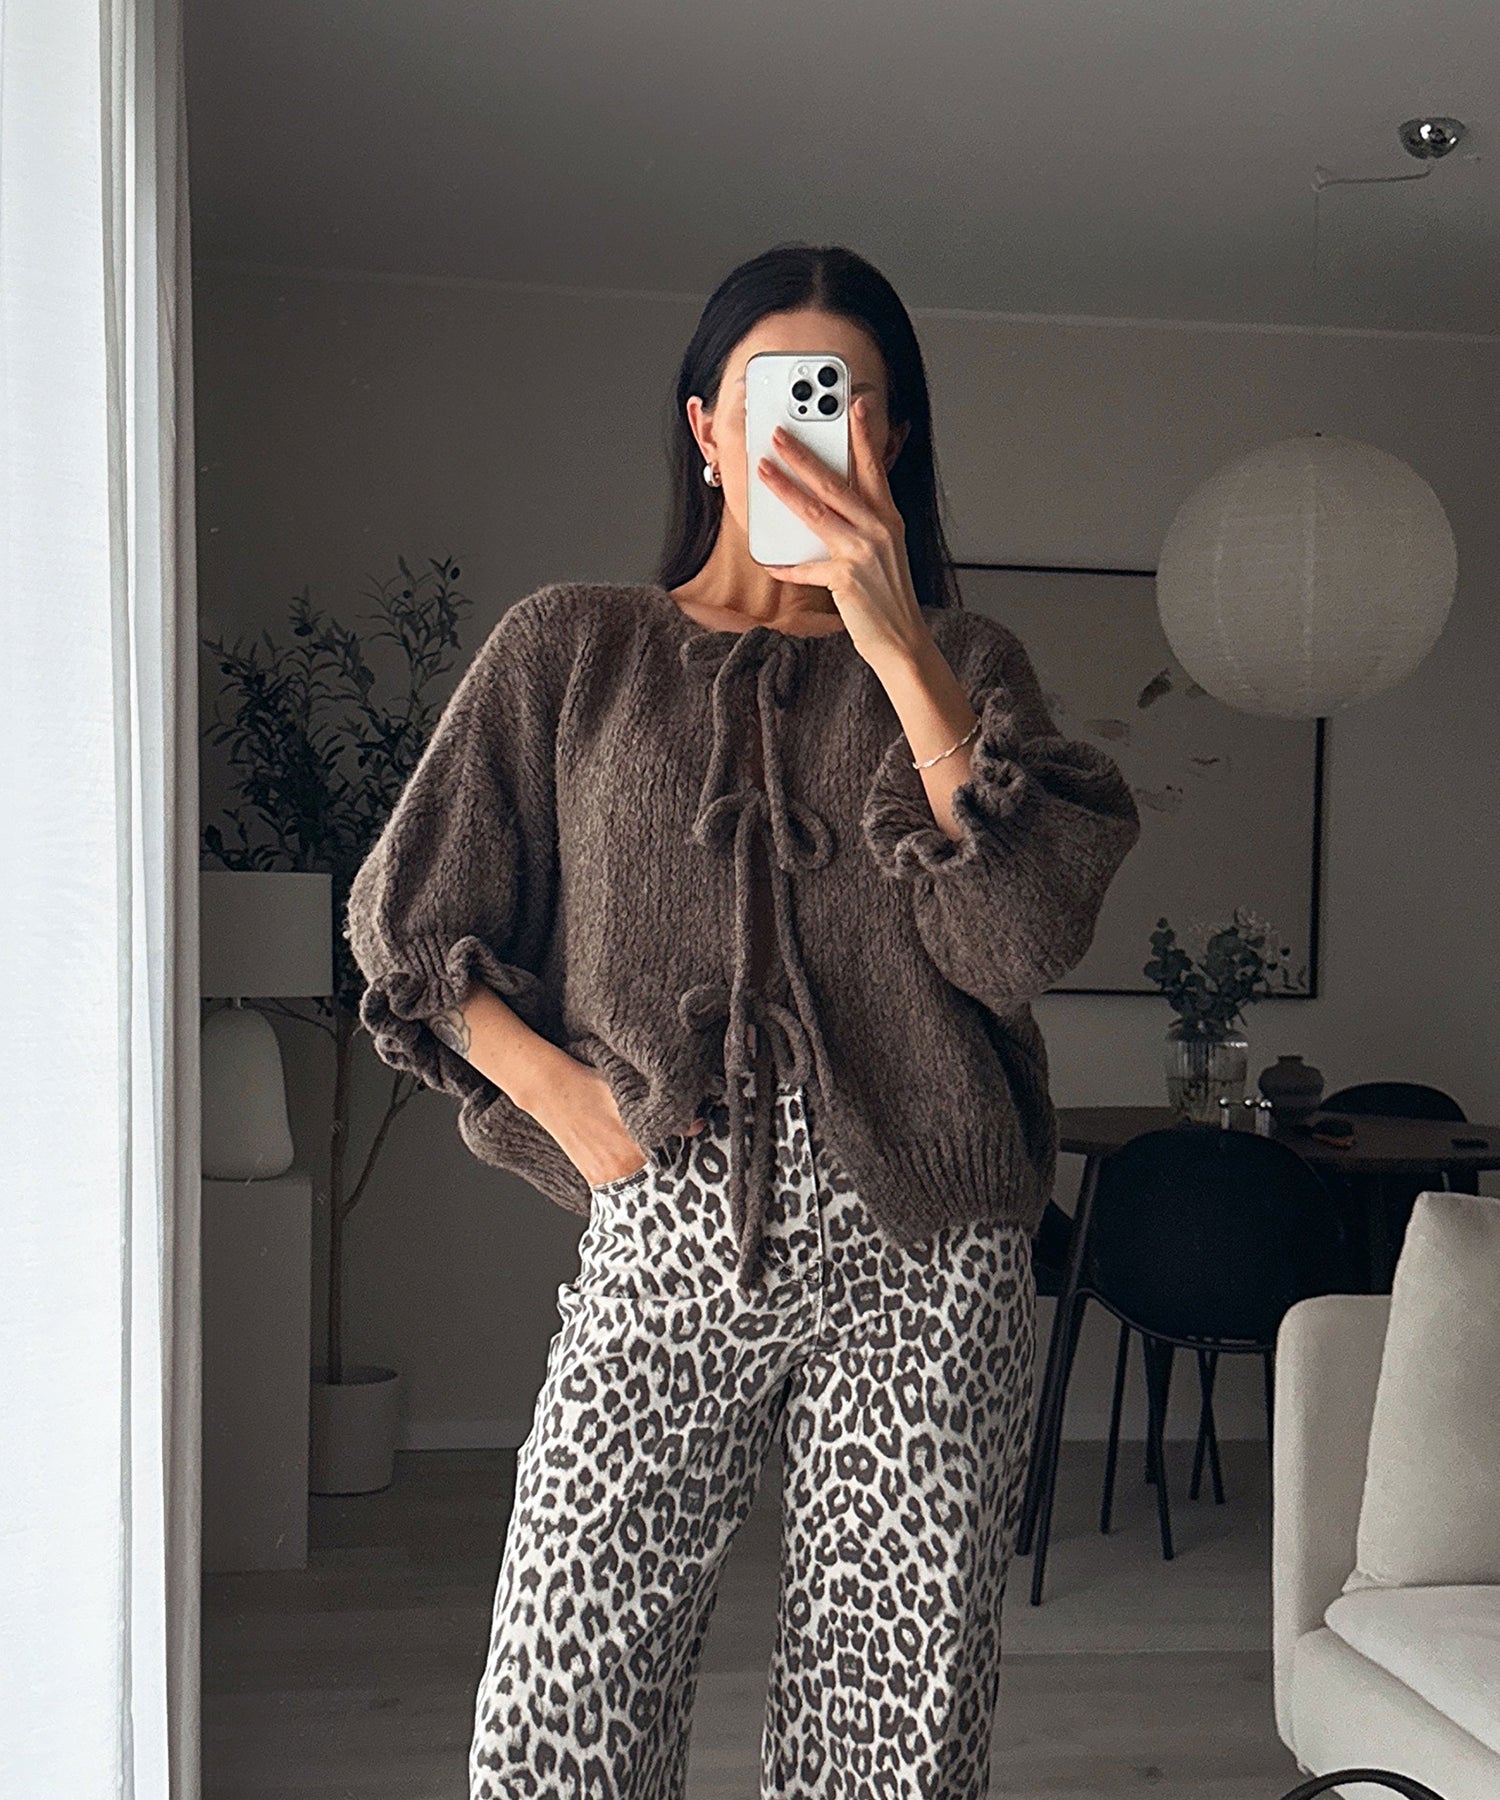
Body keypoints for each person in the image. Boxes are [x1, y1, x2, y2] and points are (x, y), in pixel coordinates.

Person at [346, 241, 1142, 1800]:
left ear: (890, 438)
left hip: (927, 1250)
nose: (807, 429)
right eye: (771, 394)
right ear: (705, 426)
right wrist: (563, 1101)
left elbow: (1014, 946)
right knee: (556, 1720)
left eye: (845, 400)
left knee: (889, 1736)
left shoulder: (969, 668)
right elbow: (406, 921)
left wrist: (900, 648)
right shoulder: (573, 648)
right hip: (668, 1222)